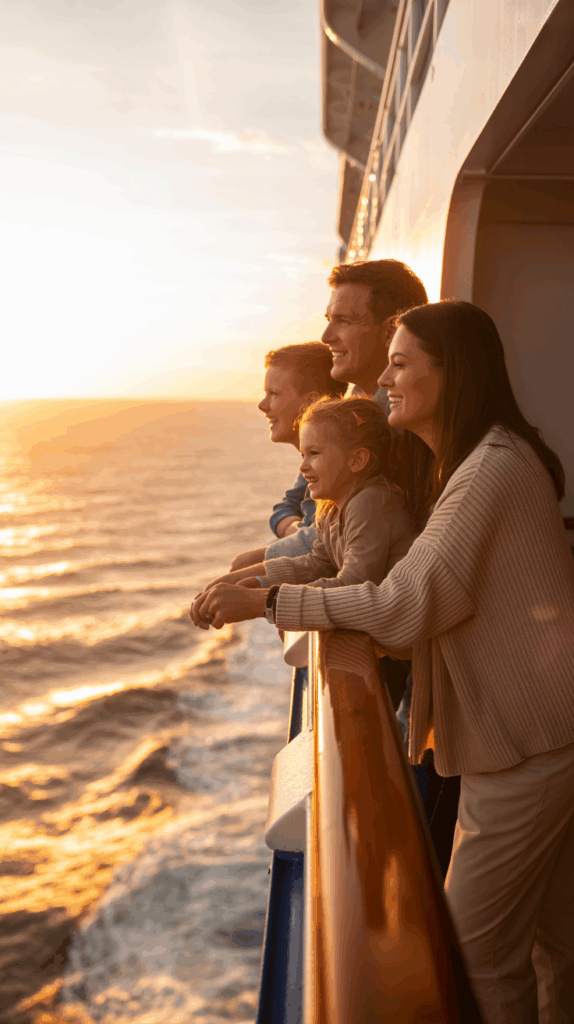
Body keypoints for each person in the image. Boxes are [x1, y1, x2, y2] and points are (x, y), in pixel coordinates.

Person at [191, 300, 574, 1023]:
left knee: (478, 954)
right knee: (556, 944)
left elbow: (401, 606)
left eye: (399, 364)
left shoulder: (488, 469)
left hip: (529, 746)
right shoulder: (471, 464)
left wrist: (272, 604)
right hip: (542, 733)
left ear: (450, 372)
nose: (383, 380)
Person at [231, 258, 429, 571]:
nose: (326, 336)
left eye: (344, 321)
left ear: (391, 331)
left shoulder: (394, 423)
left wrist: (261, 569)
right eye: (328, 320)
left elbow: (346, 541)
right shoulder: (354, 407)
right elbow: (312, 521)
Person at [204, 395, 416, 596]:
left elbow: (354, 584)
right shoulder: (331, 507)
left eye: (314, 454)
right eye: (303, 455)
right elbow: (317, 563)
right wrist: (259, 583)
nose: (303, 467)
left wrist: (270, 598)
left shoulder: (370, 502)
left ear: (357, 460)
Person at [229, 343, 346, 573]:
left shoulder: (339, 469)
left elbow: (323, 544)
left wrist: (297, 537)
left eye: (274, 394)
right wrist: (296, 532)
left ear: (311, 403)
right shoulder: (312, 465)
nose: (263, 405)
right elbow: (284, 507)